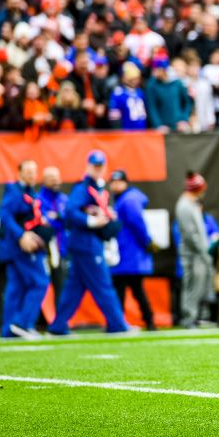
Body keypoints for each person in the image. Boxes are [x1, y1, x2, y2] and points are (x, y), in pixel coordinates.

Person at [48, 151, 131, 335]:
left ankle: (58, 325)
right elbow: (70, 211)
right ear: (88, 166)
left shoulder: (98, 187)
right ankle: (118, 324)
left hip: (85, 243)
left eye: (100, 166)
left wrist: (106, 215)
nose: (98, 169)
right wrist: (91, 221)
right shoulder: (83, 188)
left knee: (74, 288)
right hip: (86, 243)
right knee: (103, 284)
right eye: (95, 166)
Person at [0, 160, 53, 338]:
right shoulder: (14, 191)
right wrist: (22, 235)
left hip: (14, 248)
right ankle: (23, 323)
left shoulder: (31, 193)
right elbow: (5, 216)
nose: (31, 175)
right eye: (28, 171)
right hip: (19, 247)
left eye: (34, 172)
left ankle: (9, 330)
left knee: (16, 288)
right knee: (39, 282)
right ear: (19, 173)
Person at [108, 169, 157, 330]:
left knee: (127, 290)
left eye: (119, 182)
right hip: (126, 254)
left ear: (125, 182)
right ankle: (145, 321)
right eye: (113, 182)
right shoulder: (125, 199)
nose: (115, 185)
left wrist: (146, 241)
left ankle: (142, 321)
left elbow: (137, 223)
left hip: (129, 254)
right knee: (132, 290)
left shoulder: (128, 200)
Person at [174, 172, 212, 328]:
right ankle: (189, 318)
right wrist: (203, 251)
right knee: (191, 287)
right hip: (192, 254)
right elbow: (191, 235)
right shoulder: (184, 206)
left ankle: (194, 316)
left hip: (198, 252)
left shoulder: (192, 204)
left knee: (198, 287)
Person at [38, 165, 69, 323]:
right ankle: (29, 323)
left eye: (57, 177)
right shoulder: (38, 199)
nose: (55, 181)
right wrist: (57, 219)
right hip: (43, 249)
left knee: (62, 287)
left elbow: (68, 220)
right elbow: (41, 222)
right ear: (44, 180)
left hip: (61, 249)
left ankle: (60, 323)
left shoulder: (64, 199)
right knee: (38, 285)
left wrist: (55, 218)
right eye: (51, 178)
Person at [145, 54, 192, 132]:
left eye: (156, 69)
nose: (154, 72)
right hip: (162, 128)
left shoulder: (177, 83)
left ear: (163, 69)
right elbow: (152, 107)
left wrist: (184, 119)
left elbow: (187, 102)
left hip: (178, 126)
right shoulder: (151, 85)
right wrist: (158, 125)